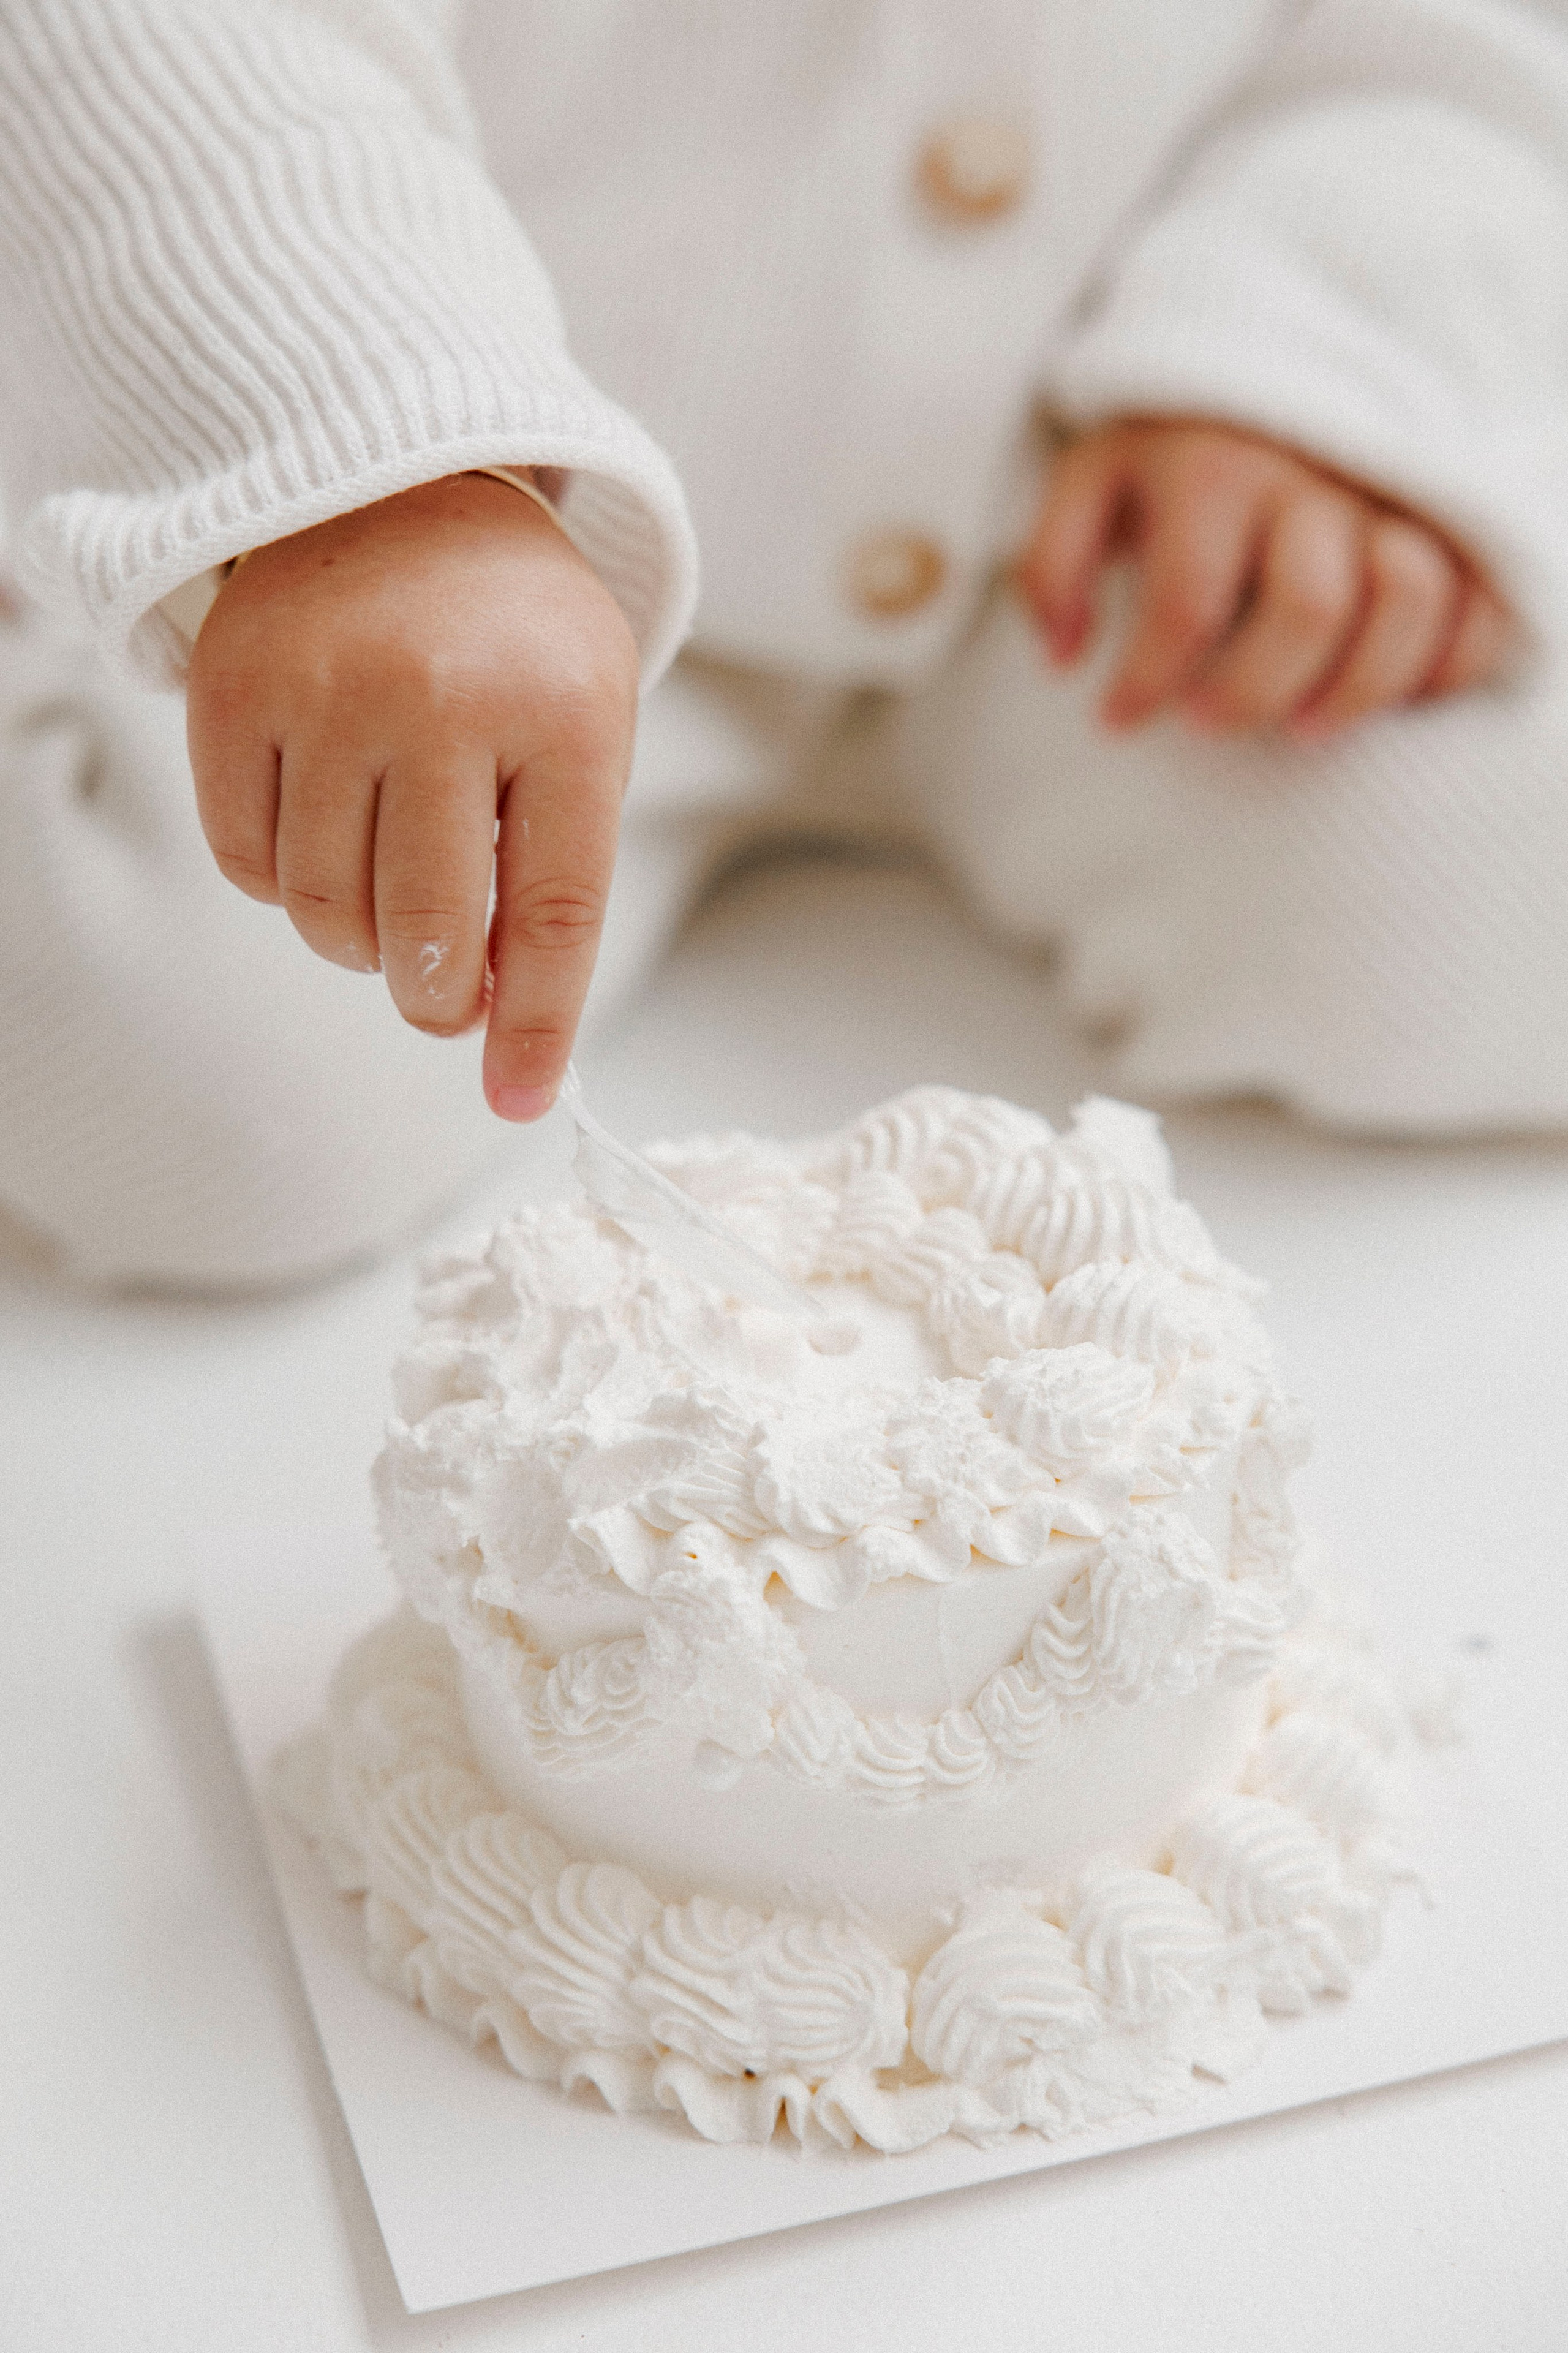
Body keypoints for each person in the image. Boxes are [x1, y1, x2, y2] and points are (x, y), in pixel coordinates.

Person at [1, 0, 1566, 1288]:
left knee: (1492, 907)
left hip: (1085, 495)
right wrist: (368, 447)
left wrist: (1317, 338)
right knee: (201, 1096)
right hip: (444, 518)